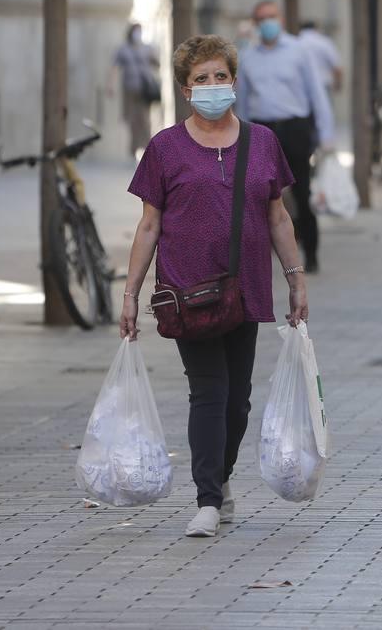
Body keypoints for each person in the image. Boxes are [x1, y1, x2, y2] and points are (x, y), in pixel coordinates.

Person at [119, 34, 309, 539]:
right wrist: (131, 293)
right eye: (200, 79)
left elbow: (277, 217)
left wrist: (295, 279)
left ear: (235, 81)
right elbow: (149, 225)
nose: (212, 86)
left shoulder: (262, 142)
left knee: (238, 400)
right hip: (187, 291)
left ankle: (220, 479)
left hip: (245, 287)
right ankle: (207, 498)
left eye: (219, 76)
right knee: (209, 391)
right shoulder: (164, 148)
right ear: (185, 89)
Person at [235, 0, 335, 273]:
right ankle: (262, 255)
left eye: (272, 16)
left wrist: (327, 134)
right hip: (261, 129)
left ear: (280, 18)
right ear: (256, 24)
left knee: (302, 192)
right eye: (262, 18)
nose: (268, 22)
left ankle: (310, 253)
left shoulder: (299, 51)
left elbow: (316, 93)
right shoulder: (248, 57)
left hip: (295, 128)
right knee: (260, 195)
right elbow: (242, 102)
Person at [110, 23, 160, 159]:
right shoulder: (123, 49)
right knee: (132, 120)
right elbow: (114, 68)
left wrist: (155, 53)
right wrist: (111, 85)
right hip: (130, 90)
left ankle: (146, 149)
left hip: (145, 90)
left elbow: (157, 64)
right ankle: (133, 150)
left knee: (144, 119)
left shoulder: (147, 48)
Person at [298, 19, 343, 93]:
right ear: (316, 28)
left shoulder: (297, 42)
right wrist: (338, 84)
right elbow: (337, 66)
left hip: (303, 85)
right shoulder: (324, 42)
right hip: (323, 83)